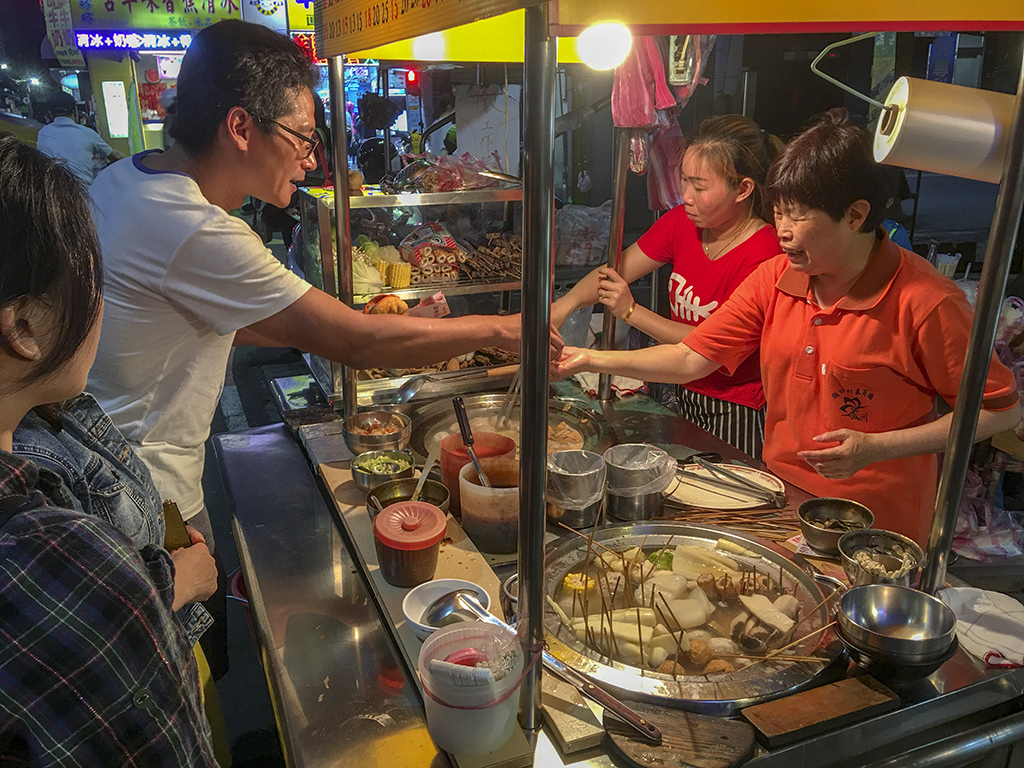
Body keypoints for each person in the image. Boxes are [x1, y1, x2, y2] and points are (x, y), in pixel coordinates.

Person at [87, 19, 560, 554]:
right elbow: (356, 343)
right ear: (240, 127)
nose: (312, 160)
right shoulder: (195, 229)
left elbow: (227, 324)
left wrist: (398, 324)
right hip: (144, 494)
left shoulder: (126, 179)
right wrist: (506, 326)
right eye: (303, 138)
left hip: (107, 472)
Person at [553, 109, 1020, 546]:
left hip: (876, 527)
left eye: (798, 215)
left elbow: (1000, 411)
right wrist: (589, 358)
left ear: (855, 216)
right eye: (778, 212)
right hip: (779, 504)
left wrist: (879, 447)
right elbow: (691, 357)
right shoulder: (776, 278)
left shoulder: (927, 300)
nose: (783, 231)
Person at [0, 133, 217, 766]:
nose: (102, 307)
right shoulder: (50, 554)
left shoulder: (49, 420)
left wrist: (163, 563)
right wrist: (165, 585)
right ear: (24, 327)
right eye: (93, 284)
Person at [551, 115, 781, 458]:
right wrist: (560, 308)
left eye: (700, 187)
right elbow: (614, 273)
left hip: (735, 406)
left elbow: (702, 350)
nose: (686, 196)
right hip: (680, 388)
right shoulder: (682, 223)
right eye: (684, 180)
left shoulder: (766, 256)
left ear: (743, 189)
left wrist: (630, 312)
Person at [35, 91, 124, 185]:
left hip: (54, 194)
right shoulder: (87, 133)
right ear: (75, 111)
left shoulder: (43, 134)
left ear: (50, 114)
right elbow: (115, 156)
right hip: (84, 194)